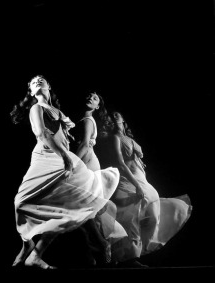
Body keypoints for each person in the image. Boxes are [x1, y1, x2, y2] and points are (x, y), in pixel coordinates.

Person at [10, 75, 120, 269]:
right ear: (30, 89)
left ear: (49, 85)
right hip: (46, 157)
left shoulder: (58, 112)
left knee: (64, 208)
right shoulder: (37, 108)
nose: (37, 81)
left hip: (62, 159)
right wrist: (65, 156)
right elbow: (42, 133)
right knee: (21, 202)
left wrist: (67, 152)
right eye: (33, 81)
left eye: (41, 79)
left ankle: (35, 254)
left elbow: (65, 138)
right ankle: (27, 245)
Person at [101, 110, 192, 267]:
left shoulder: (129, 138)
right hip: (130, 180)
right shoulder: (115, 137)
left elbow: (136, 159)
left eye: (117, 114)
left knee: (154, 217)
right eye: (112, 116)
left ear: (123, 119)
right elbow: (120, 163)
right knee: (131, 219)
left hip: (142, 178)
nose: (114, 117)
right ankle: (129, 257)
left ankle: (134, 252)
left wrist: (140, 164)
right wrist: (136, 184)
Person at [72, 92, 127, 265]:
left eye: (95, 98)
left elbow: (84, 144)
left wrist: (71, 164)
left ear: (97, 107)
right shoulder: (84, 120)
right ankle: (95, 252)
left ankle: (101, 248)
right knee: (83, 212)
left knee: (83, 211)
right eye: (88, 96)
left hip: (86, 166)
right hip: (87, 164)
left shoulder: (88, 120)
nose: (90, 98)